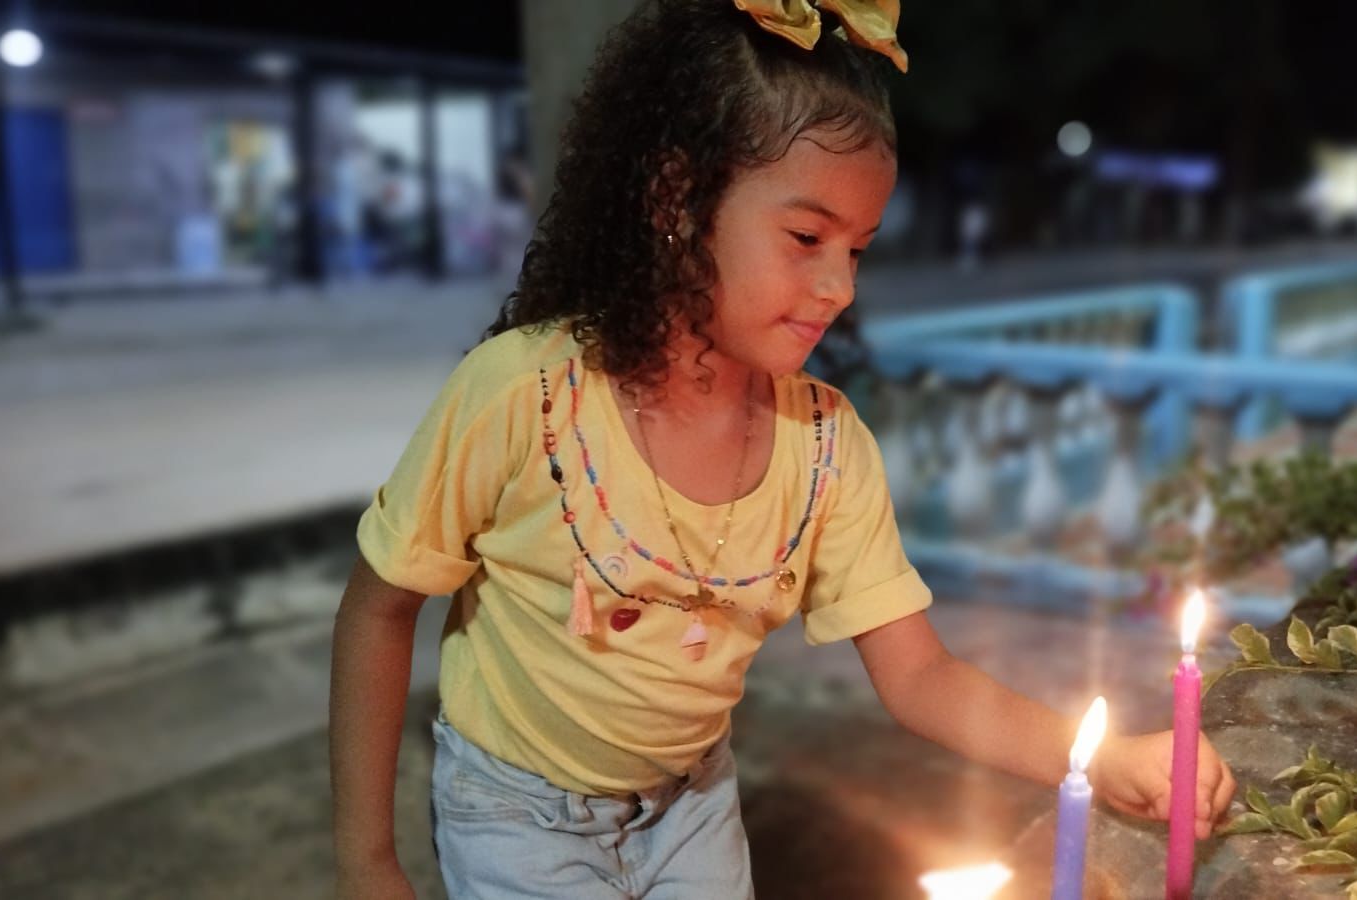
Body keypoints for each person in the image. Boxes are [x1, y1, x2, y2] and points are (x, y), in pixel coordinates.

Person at [329, 2, 1237, 898]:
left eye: (859, 249)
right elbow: (378, 609)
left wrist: (1103, 755)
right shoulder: (525, 396)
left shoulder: (826, 445)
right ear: (675, 198)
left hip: (693, 808)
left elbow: (920, 675)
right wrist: (369, 862)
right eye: (806, 238)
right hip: (514, 817)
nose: (838, 286)